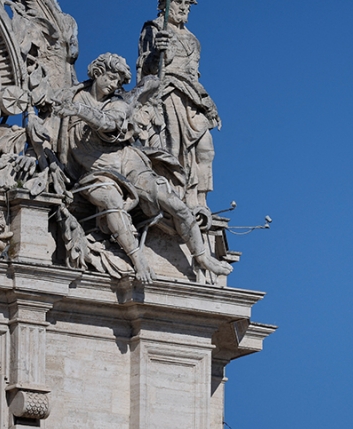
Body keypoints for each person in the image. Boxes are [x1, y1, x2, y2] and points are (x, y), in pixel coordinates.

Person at [57, 52, 232, 284]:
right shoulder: (71, 96)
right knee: (111, 201)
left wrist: (79, 112)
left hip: (129, 162)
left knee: (174, 203)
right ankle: (138, 259)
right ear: (98, 72)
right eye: (110, 78)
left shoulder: (117, 104)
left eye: (118, 82)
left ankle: (201, 256)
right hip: (95, 171)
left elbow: (109, 123)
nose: (113, 85)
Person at [137, 0, 220, 216]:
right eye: (179, 2)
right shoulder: (153, 28)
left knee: (206, 149)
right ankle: (179, 195)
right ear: (165, 5)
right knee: (175, 148)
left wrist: (208, 103)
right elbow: (145, 69)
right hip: (169, 93)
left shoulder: (194, 40)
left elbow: (194, 76)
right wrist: (157, 53)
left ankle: (201, 200)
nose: (184, 8)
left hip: (192, 97)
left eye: (187, 4)